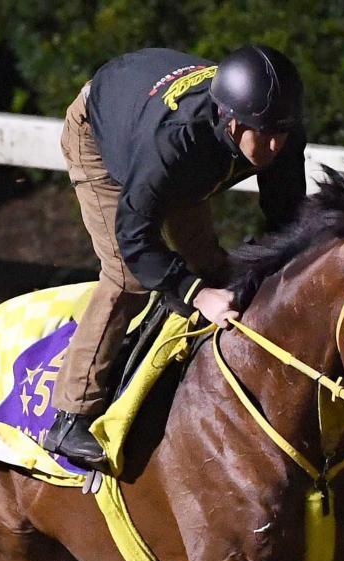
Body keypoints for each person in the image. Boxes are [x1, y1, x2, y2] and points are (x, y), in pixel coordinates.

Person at [43, 44, 307, 470]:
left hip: (173, 149)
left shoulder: (276, 128)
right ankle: (71, 413)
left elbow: (285, 217)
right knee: (129, 276)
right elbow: (134, 236)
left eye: (284, 132)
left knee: (212, 268)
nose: (277, 146)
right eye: (267, 134)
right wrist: (195, 293)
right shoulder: (172, 143)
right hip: (104, 136)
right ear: (234, 123)